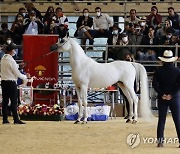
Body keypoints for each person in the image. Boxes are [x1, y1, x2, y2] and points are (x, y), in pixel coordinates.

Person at [152, 50, 180, 148]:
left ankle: (160, 141)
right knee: (177, 120)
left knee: (162, 119)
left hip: (162, 97)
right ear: (172, 60)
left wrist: (162, 94)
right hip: (174, 97)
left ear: (163, 60)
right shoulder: (177, 71)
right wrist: (171, 94)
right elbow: (178, 85)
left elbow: (155, 85)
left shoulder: (158, 71)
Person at [1, 44, 30, 124]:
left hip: (4, 82)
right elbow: (17, 74)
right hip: (11, 83)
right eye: (13, 50)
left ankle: (5, 119)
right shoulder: (11, 61)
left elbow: (10, 68)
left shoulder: (3, 59)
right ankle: (16, 119)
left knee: (5, 101)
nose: (14, 51)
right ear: (11, 51)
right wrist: (25, 77)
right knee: (14, 102)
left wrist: (19, 66)